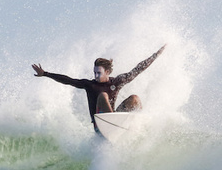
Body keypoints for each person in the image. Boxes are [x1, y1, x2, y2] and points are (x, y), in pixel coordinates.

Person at [32, 44, 166, 135]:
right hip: (100, 125)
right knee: (103, 95)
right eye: (94, 72)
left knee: (135, 99)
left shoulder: (117, 81)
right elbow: (68, 80)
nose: (95, 76)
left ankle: (140, 127)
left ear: (107, 72)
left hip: (113, 120)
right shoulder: (89, 85)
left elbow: (137, 69)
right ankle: (116, 124)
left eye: (99, 73)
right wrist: (45, 74)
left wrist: (156, 54)